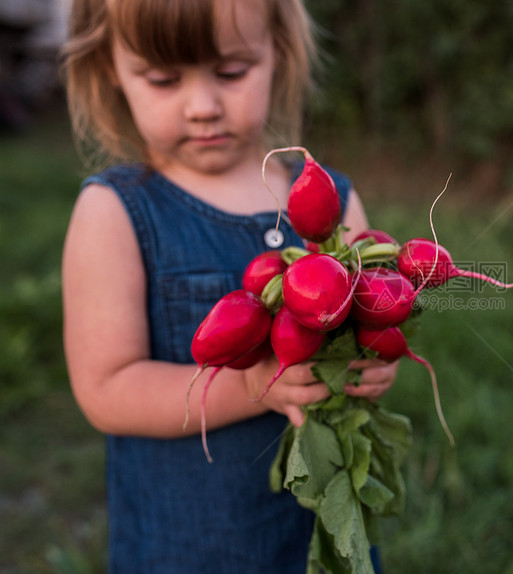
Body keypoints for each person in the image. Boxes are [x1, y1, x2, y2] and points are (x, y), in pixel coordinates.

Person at [59, 0, 398, 572]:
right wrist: (254, 386)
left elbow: (367, 323)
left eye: (233, 72)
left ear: (278, 54)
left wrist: (369, 365)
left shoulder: (331, 199)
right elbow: (105, 389)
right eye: (164, 80)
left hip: (320, 534)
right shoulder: (114, 213)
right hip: (190, 546)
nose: (203, 107)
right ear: (109, 69)